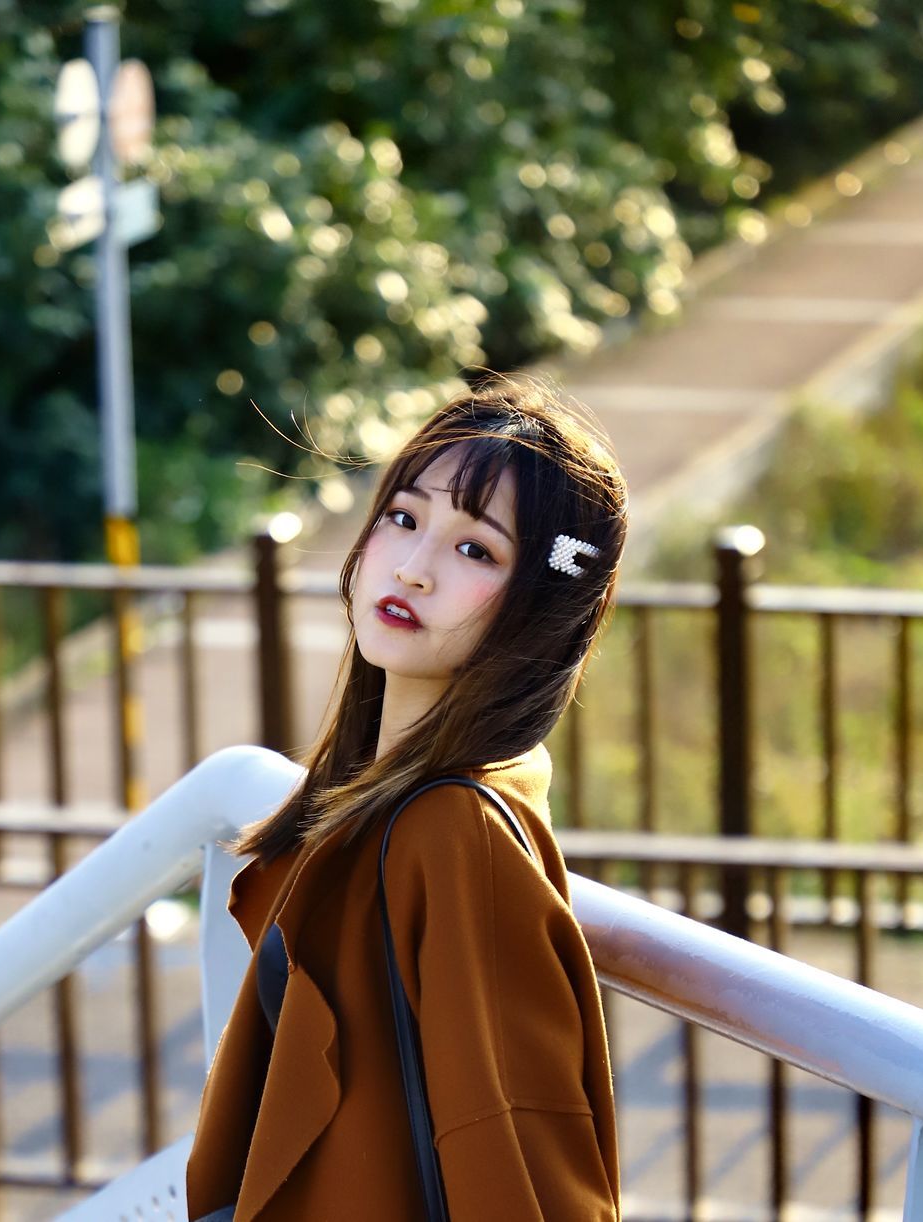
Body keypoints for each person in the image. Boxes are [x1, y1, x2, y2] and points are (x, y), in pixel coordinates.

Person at [187, 374, 626, 1221]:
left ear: (541, 604)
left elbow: (516, 1155)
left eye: (476, 550)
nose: (415, 568)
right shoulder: (385, 801)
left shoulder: (454, 833)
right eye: (404, 517)